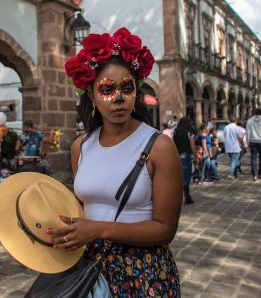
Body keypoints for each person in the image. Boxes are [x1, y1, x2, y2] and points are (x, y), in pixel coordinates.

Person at [53, 28, 182, 296]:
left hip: (142, 273)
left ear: (136, 91)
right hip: (88, 270)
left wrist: (98, 230)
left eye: (127, 87)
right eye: (107, 89)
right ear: (91, 95)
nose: (119, 98)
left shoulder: (159, 146)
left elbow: (165, 229)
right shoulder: (81, 147)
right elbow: (81, 211)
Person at [173, 117, 196, 204]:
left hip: (178, 156)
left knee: (179, 177)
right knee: (186, 178)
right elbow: (192, 145)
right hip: (186, 156)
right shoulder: (189, 133)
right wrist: (195, 156)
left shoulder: (176, 132)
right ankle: (185, 197)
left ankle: (187, 196)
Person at [246, 108, 261, 181]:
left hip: (253, 141)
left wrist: (247, 142)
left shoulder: (249, 121)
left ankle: (254, 175)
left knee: (253, 158)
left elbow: (248, 132)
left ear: (254, 113)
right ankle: (260, 173)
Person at [223, 116, 246, 180]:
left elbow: (224, 136)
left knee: (232, 161)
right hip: (235, 146)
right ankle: (231, 174)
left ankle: (234, 174)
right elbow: (240, 139)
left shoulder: (226, 127)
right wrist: (242, 146)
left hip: (228, 146)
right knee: (234, 161)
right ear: (236, 121)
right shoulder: (237, 128)